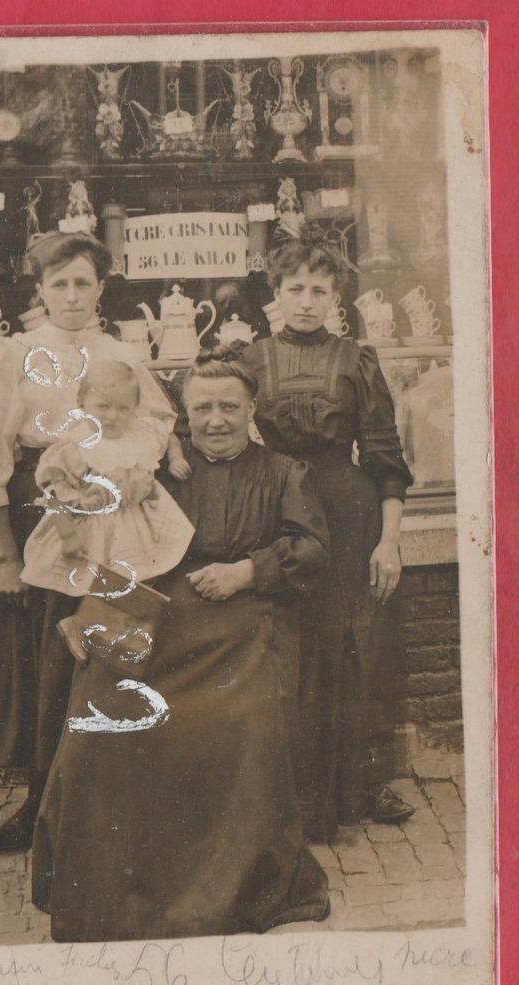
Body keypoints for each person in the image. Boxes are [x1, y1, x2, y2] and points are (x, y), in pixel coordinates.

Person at [31, 348, 331, 942]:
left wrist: (247, 570)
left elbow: (314, 548)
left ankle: (229, 891)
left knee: (238, 720)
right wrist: (82, 613)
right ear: (183, 414)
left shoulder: (283, 472)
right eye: (202, 408)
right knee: (100, 717)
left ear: (251, 410)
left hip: (244, 624)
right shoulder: (153, 465)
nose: (215, 419)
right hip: (157, 620)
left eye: (229, 407)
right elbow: (95, 534)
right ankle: (114, 889)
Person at [0, 232, 176, 852]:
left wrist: (135, 466)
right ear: (40, 291)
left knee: (106, 642)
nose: (72, 296)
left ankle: (105, 796)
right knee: (40, 659)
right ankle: (40, 799)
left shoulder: (122, 350)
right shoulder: (15, 354)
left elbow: (156, 418)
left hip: (115, 518)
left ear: (102, 288)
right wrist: (7, 556)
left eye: (83, 283)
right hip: (38, 514)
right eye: (59, 284)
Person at [241, 233, 415, 842]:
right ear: (277, 294)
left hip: (348, 513)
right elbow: (211, 430)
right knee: (285, 645)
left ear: (336, 296)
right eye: (296, 289)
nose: (307, 302)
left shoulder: (357, 359)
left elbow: (387, 457)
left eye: (320, 289)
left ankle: (358, 785)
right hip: (280, 512)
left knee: (350, 644)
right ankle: (286, 790)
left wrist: (389, 541)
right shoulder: (250, 359)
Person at [21, 360, 195, 597]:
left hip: (135, 523)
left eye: (123, 408)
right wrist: (67, 535)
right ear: (82, 404)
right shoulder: (76, 445)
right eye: (103, 406)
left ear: (135, 407)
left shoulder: (140, 436)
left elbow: (168, 436)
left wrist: (176, 459)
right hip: (89, 528)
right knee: (91, 585)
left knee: (136, 585)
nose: (112, 416)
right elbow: (54, 492)